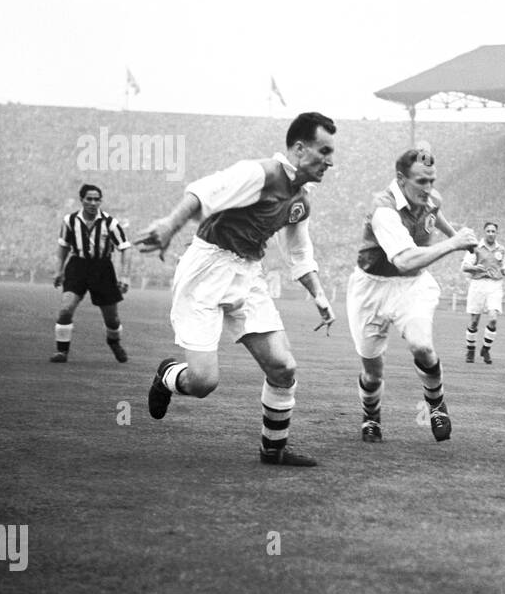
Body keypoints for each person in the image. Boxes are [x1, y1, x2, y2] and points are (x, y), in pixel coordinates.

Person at [135, 111, 337, 466]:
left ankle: (273, 451)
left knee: (283, 368)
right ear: (300, 149)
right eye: (324, 151)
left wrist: (319, 294)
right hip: (207, 269)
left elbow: (299, 254)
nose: (330, 161)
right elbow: (203, 190)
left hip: (248, 274)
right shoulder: (260, 173)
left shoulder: (301, 201)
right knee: (203, 383)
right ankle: (167, 375)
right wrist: (169, 224)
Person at [347, 147, 477, 442]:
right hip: (371, 289)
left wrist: (456, 236)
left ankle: (436, 404)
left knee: (423, 347)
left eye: (432, 180)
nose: (429, 188)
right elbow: (403, 259)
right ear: (401, 179)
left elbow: (435, 212)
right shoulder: (383, 209)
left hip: (412, 286)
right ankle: (371, 417)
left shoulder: (430, 197)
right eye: (421, 182)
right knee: (372, 373)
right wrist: (454, 243)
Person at [50, 183, 132, 363]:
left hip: (102, 269)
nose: (93, 203)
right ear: (82, 200)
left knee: (112, 318)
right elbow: (63, 246)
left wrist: (124, 276)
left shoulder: (110, 223)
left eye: (97, 199)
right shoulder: (69, 221)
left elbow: (125, 248)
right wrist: (58, 270)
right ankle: (62, 351)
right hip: (77, 266)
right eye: (89, 199)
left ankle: (114, 341)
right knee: (65, 309)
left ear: (100, 201)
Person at [462, 221, 505, 364]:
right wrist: (477, 268)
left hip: (495, 285)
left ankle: (486, 350)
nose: (490, 233)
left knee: (493, 318)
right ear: (484, 232)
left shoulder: (502, 250)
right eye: (488, 231)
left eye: (493, 231)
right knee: (474, 321)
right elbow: (465, 266)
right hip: (478, 284)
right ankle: (470, 351)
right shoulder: (475, 248)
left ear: (496, 233)